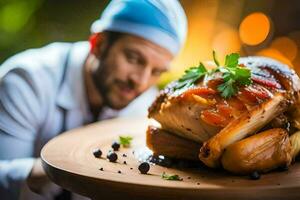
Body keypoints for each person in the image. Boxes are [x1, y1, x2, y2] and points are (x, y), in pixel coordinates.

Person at [0, 0, 187, 199]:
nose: (140, 82)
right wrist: (67, 167)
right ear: (98, 44)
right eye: (133, 58)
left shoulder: (144, 105)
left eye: (156, 71)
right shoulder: (26, 82)